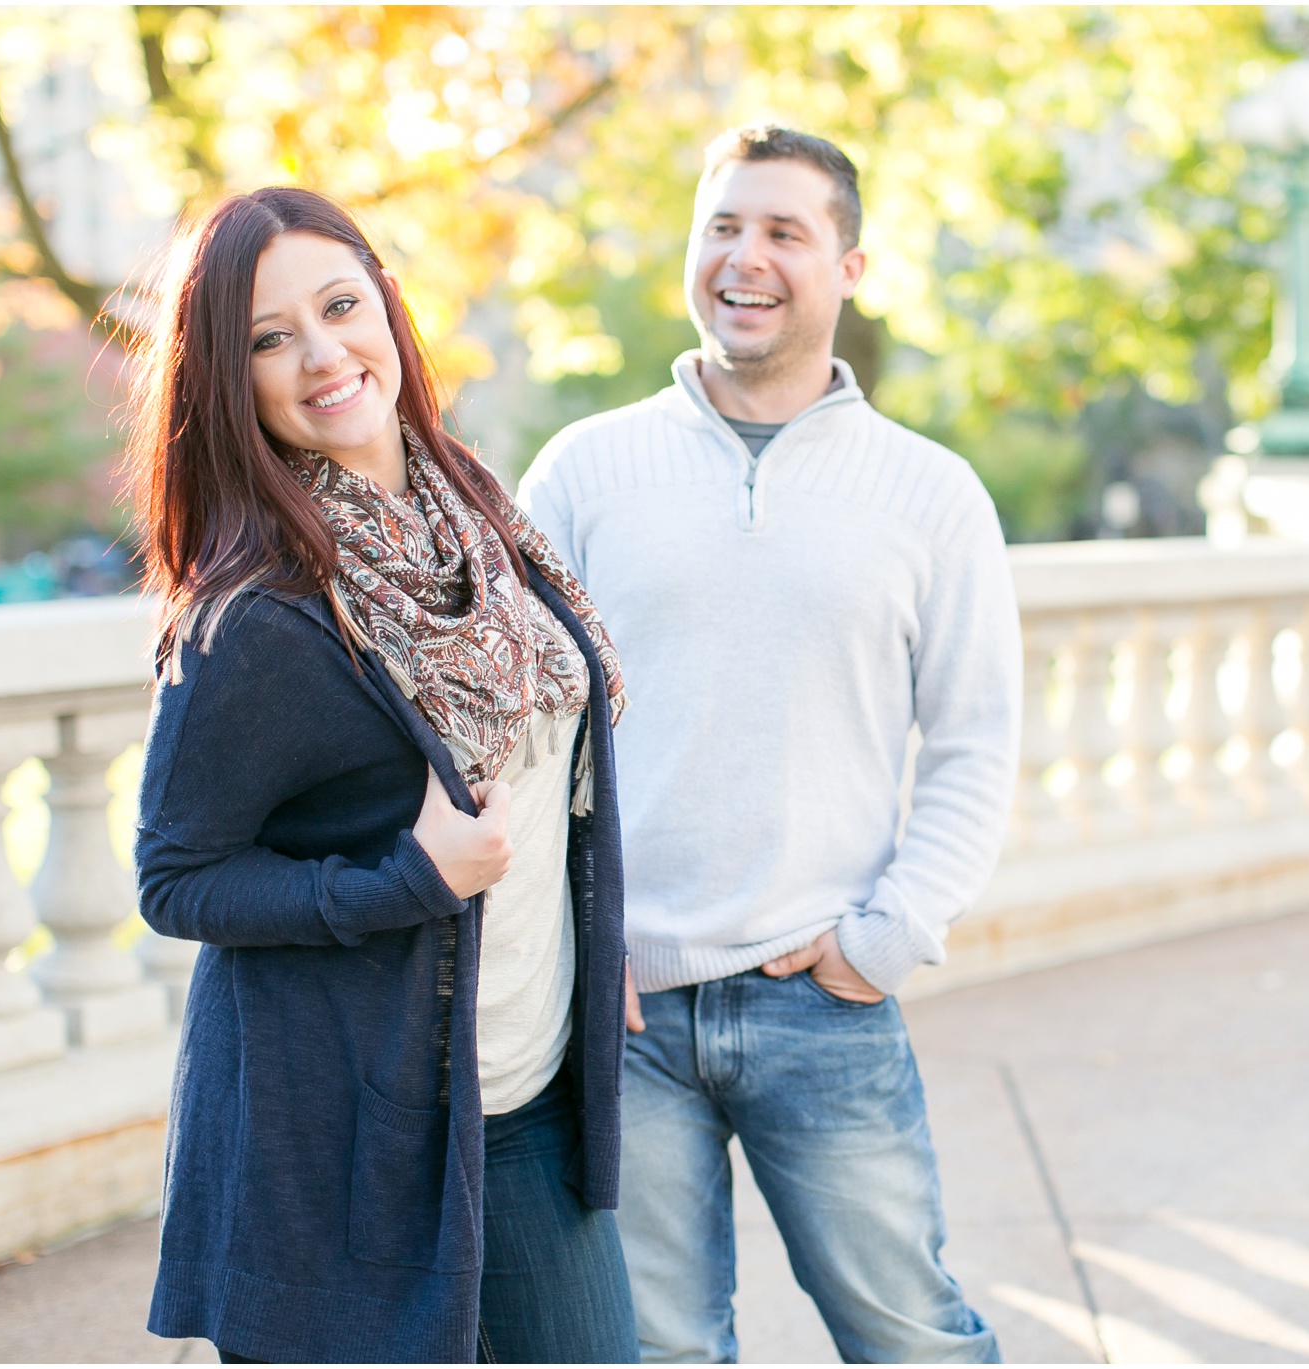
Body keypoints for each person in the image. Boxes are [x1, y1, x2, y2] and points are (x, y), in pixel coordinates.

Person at [520, 125, 1021, 1364]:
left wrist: (887, 936)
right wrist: (571, 945)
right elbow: (521, 738)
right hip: (623, 1012)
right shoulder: (584, 471)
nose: (745, 258)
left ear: (850, 267)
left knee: (914, 1340)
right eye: (722, 227)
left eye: (783, 232)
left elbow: (973, 738)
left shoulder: (929, 494)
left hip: (823, 996)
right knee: (662, 1355)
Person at [125, 186, 638, 1364]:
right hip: (347, 1134)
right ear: (227, 377)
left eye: (339, 305)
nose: (321, 354)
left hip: (527, 1084)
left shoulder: (479, 516)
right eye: (268, 338)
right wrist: (404, 878)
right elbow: (176, 878)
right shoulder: (255, 614)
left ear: (387, 310)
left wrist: (592, 928)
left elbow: (555, 755)